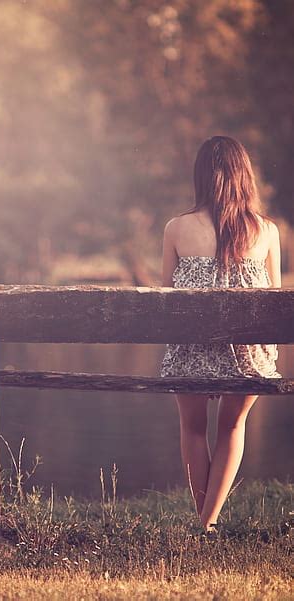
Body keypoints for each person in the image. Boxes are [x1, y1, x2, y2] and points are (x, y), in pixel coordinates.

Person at [160, 135, 282, 534]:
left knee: (193, 427)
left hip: (190, 352)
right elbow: (277, 308)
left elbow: (164, 304)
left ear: (200, 177)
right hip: (249, 359)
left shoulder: (176, 229)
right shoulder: (266, 231)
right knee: (231, 427)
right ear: (245, 177)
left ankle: (204, 524)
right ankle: (207, 526)